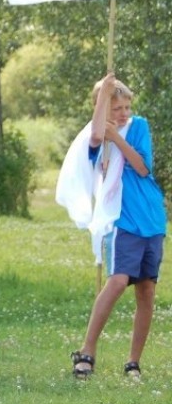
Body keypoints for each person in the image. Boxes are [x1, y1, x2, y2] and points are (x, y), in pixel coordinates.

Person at [59, 74, 167, 378]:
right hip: (121, 220)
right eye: (116, 108)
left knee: (146, 290)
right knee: (118, 280)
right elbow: (96, 135)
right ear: (103, 107)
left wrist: (118, 138)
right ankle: (86, 352)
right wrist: (104, 98)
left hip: (152, 218)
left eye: (126, 107)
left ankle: (133, 362)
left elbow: (143, 168)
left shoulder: (138, 127)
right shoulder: (94, 136)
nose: (123, 113)